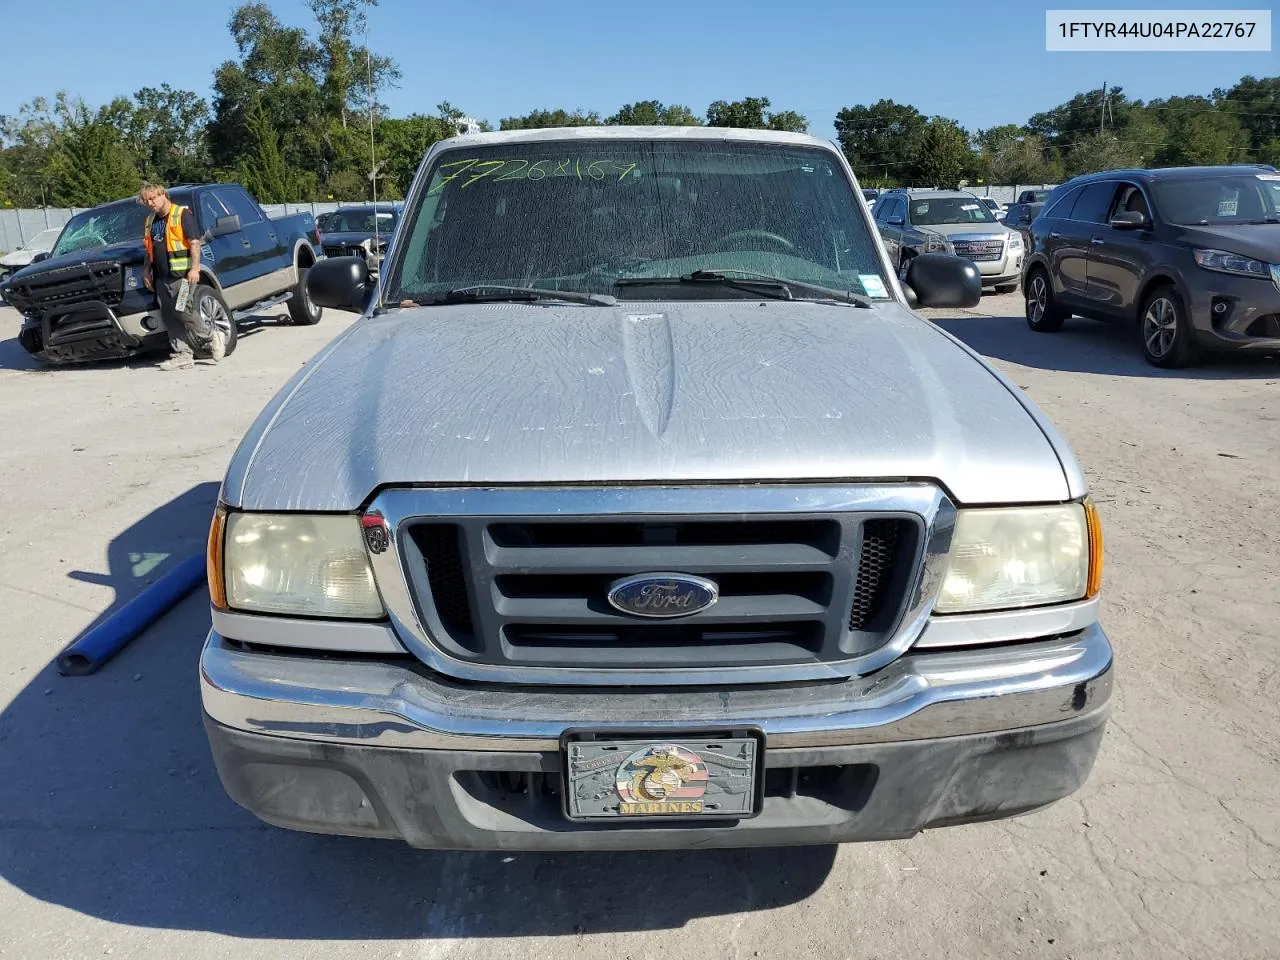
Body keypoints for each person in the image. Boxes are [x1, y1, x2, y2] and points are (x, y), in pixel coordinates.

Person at [139, 183, 225, 370]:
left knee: (182, 310)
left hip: (184, 277)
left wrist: (194, 269)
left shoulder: (182, 215)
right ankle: (182, 355)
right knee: (169, 316)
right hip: (162, 279)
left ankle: (212, 337)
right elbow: (149, 249)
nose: (150, 203)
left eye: (153, 198)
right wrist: (147, 271)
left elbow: (194, 243)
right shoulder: (150, 221)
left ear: (163, 195)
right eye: (147, 201)